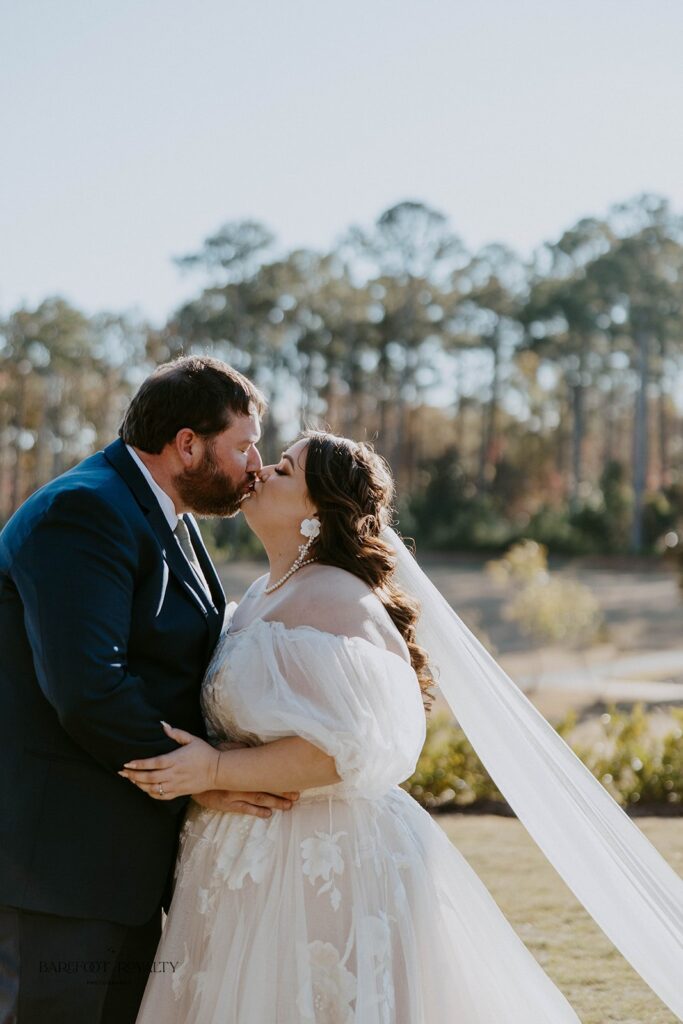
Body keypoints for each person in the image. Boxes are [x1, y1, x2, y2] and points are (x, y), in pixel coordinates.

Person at [125, 431, 683, 1023]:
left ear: (316, 513)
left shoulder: (338, 599)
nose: (262, 471)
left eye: (285, 469)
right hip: (241, 859)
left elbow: (349, 749)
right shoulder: (265, 591)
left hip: (318, 861)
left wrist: (214, 768)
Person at [0, 356, 299, 1024]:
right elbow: (91, 690)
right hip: (58, 868)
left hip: (121, 862)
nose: (256, 464)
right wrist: (201, 777)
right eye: (244, 445)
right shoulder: (82, 511)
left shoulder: (166, 515)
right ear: (186, 443)